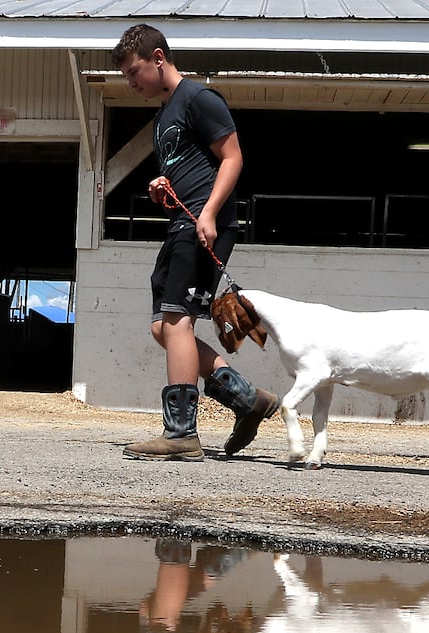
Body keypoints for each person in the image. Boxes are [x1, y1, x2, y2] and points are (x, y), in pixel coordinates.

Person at [110, 23, 280, 461]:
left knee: (177, 321)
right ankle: (247, 399)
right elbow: (195, 167)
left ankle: (181, 433)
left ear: (159, 58)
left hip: (206, 223)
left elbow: (233, 157)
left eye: (134, 72)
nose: (131, 83)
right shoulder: (165, 113)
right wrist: (163, 190)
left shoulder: (199, 98)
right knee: (161, 327)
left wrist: (206, 213)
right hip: (182, 222)